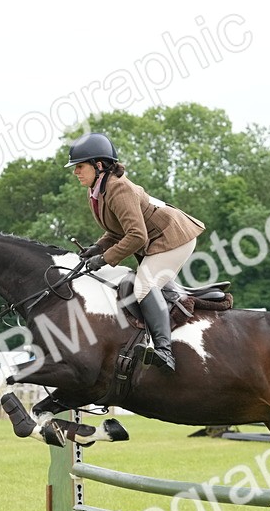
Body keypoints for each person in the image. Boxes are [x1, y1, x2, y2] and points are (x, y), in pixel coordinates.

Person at [66, 132, 205, 371]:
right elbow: (117, 230)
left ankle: (164, 351)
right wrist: (98, 247)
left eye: (80, 166)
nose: (75, 172)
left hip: (174, 238)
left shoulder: (119, 189)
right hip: (157, 240)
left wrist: (105, 259)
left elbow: (137, 236)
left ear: (99, 165)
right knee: (140, 284)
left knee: (143, 286)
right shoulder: (98, 191)